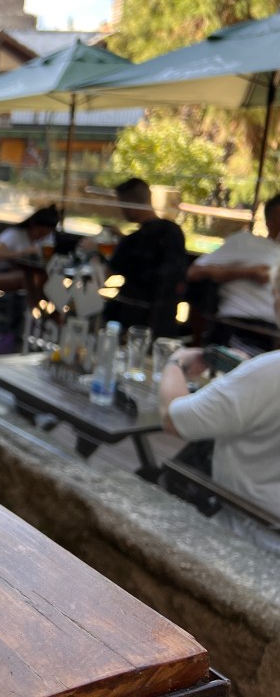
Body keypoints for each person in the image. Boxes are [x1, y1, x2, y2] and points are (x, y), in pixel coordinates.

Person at [158, 262, 280, 553]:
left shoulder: (269, 372)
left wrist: (175, 363)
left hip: (251, 535)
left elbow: (173, 418)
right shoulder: (264, 372)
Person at [186, 193, 280, 354]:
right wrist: (249, 272)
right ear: (269, 222)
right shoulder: (246, 242)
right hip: (244, 329)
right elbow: (193, 272)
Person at [101, 177, 188, 338]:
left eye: (122, 204)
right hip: (165, 319)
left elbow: (104, 276)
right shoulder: (174, 232)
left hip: (132, 320)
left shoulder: (133, 241)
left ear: (129, 206)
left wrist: (94, 250)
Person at [0, 204, 59, 291]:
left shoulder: (47, 239)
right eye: (41, 232)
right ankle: (33, 303)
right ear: (33, 225)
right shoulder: (14, 234)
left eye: (46, 234)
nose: (42, 236)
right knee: (32, 277)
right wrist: (24, 252)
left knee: (46, 276)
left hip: (25, 271)